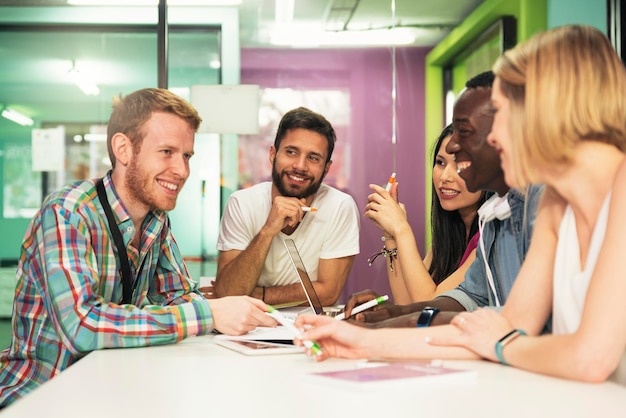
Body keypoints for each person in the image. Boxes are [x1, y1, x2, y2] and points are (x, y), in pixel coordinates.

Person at [297, 25, 626, 384]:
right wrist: (356, 341)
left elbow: (588, 358)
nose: (495, 136)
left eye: (499, 113)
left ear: (545, 108)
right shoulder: (554, 204)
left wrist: (501, 343)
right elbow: (504, 327)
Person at [0, 88, 276, 407]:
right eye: (167, 152)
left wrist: (232, 313)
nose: (183, 171)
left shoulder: (155, 219)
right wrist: (209, 313)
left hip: (111, 384)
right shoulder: (68, 213)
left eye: (186, 155)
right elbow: (82, 326)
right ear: (124, 149)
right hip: (42, 394)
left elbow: (178, 295)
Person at [339, 71, 543, 328]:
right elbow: (466, 297)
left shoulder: (540, 202)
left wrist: (401, 230)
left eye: (465, 133)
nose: (455, 146)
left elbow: (522, 321)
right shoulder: (491, 217)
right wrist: (392, 315)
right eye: (440, 162)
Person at [213, 107, 360, 306]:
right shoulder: (242, 203)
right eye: (291, 152)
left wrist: (256, 295)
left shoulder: (340, 206)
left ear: (326, 168)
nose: (300, 165)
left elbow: (327, 293)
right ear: (273, 154)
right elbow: (229, 292)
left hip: (311, 327)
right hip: (246, 325)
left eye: (313, 158)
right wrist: (267, 232)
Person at [365, 124, 485, 304]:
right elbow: (406, 304)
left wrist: (401, 228)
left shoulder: (489, 238)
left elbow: (428, 303)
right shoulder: (450, 233)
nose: (445, 177)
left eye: (461, 165)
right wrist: (390, 234)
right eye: (440, 162)